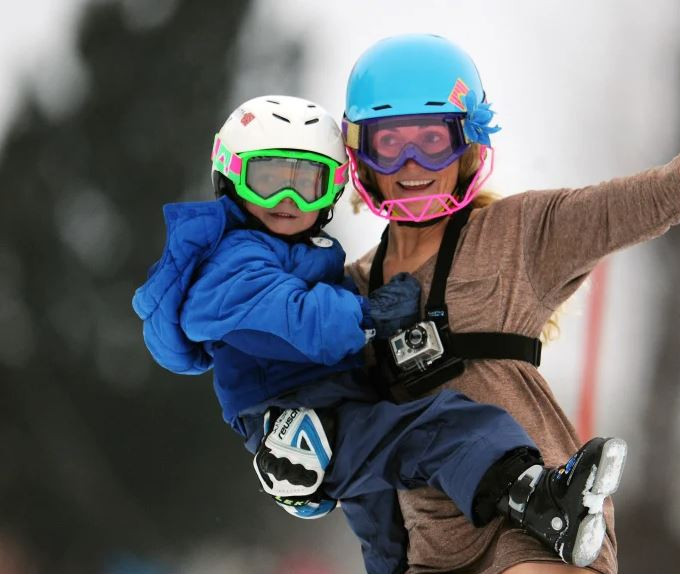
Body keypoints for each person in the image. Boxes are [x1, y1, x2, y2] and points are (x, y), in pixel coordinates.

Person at [341, 17, 680, 574]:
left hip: (541, 520)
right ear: (362, 157)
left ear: (468, 147)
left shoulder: (518, 234)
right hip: (434, 547)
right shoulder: (346, 293)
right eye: (390, 144)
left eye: (432, 142)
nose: (412, 166)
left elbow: (660, 191)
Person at [131, 94, 628, 574]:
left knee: (390, 535)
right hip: (294, 411)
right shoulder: (229, 258)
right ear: (231, 178)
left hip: (333, 407)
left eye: (305, 183)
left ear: (331, 191)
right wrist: (369, 316)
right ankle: (536, 497)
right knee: (440, 426)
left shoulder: (305, 253)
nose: (285, 200)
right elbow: (290, 316)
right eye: (267, 181)